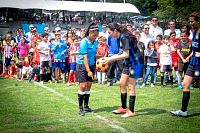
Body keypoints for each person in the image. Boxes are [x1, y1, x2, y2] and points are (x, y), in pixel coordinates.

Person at [100, 22, 144, 118]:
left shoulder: (124, 37)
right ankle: (124, 108)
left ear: (115, 31)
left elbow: (126, 54)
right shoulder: (119, 37)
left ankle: (131, 111)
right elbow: (121, 53)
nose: (109, 34)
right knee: (122, 83)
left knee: (131, 86)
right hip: (128, 63)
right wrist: (107, 58)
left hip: (135, 63)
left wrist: (109, 59)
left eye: (110, 32)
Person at [171, 12, 200, 117]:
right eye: (190, 21)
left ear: (198, 21)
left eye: (192, 21)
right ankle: (183, 111)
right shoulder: (194, 31)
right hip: (193, 62)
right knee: (185, 85)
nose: (190, 23)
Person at [76, 23, 99, 116]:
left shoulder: (96, 42)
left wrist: (99, 60)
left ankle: (86, 106)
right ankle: (80, 108)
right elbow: (85, 57)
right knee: (83, 85)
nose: (95, 37)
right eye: (94, 35)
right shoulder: (84, 42)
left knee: (89, 85)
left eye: (97, 35)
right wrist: (88, 71)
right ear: (90, 33)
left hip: (92, 65)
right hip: (82, 66)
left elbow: (93, 55)